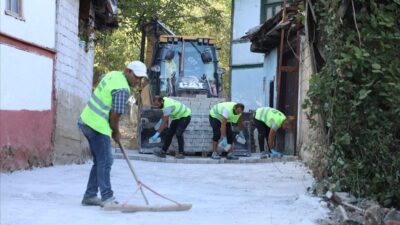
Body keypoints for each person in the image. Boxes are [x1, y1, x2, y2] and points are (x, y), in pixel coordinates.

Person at [78, 61, 147, 206]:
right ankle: (107, 197)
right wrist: (116, 132)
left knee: (100, 161)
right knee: (106, 160)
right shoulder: (122, 89)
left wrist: (114, 131)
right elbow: (114, 115)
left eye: (141, 78)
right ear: (127, 71)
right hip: (96, 126)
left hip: (86, 121)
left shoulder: (113, 75)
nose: (138, 80)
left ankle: (90, 196)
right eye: (136, 76)